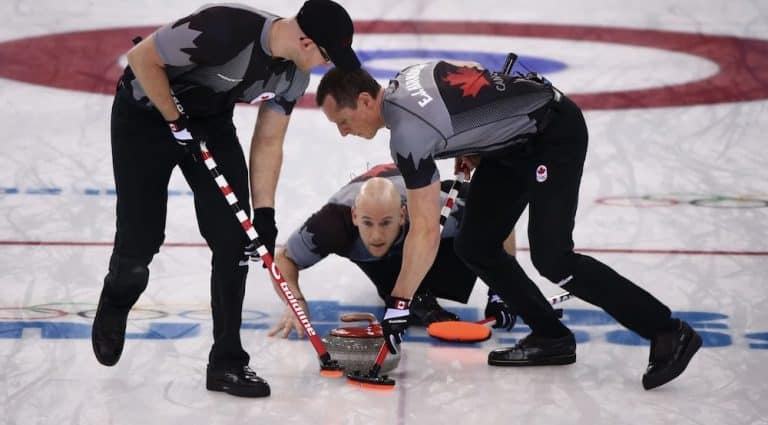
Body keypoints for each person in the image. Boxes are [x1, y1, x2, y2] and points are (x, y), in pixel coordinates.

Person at [314, 61, 702, 390]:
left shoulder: (407, 137)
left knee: (554, 259)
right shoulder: (410, 75)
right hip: (508, 146)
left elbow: (426, 232)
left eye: (343, 121)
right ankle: (551, 337)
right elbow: (476, 81)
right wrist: (472, 141)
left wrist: (398, 304)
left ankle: (667, 331)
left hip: (552, 135)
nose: (343, 132)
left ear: (365, 100)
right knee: (475, 246)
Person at [91, 0, 360, 398]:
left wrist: (264, 214)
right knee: (141, 240)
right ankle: (116, 299)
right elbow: (142, 57)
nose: (323, 64)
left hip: (209, 123)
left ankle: (227, 362)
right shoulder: (226, 28)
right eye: (325, 55)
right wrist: (172, 117)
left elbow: (269, 141)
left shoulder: (292, 77)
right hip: (145, 113)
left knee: (236, 237)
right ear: (306, 41)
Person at [267, 163, 516, 338]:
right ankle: (415, 296)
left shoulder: (433, 211)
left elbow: (500, 211)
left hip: (423, 225)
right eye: (367, 223)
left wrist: (502, 292)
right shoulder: (331, 225)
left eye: (385, 222)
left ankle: (418, 292)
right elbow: (284, 259)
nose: (376, 236)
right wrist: (294, 302)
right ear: (354, 216)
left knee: (474, 236)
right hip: (385, 253)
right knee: (396, 294)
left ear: (402, 215)